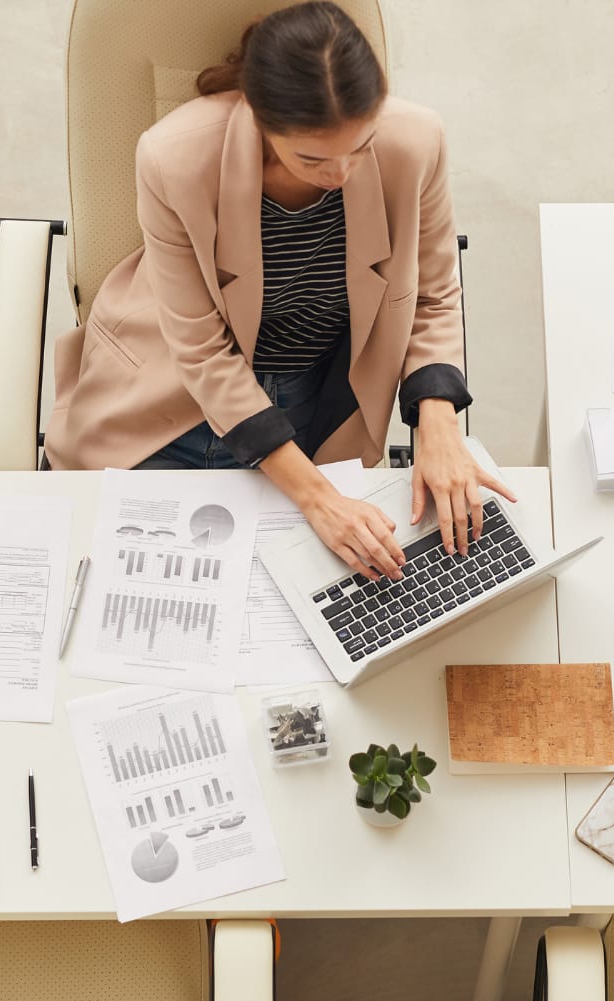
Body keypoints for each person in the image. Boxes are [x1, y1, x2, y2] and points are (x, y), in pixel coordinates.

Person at [44, 0, 515, 580]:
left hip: (318, 415)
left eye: (360, 146)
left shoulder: (415, 142)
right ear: (261, 121)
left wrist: (438, 429)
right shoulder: (174, 156)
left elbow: (435, 295)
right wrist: (318, 500)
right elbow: (200, 350)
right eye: (314, 158)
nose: (341, 174)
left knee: (316, 611)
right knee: (135, 598)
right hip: (165, 406)